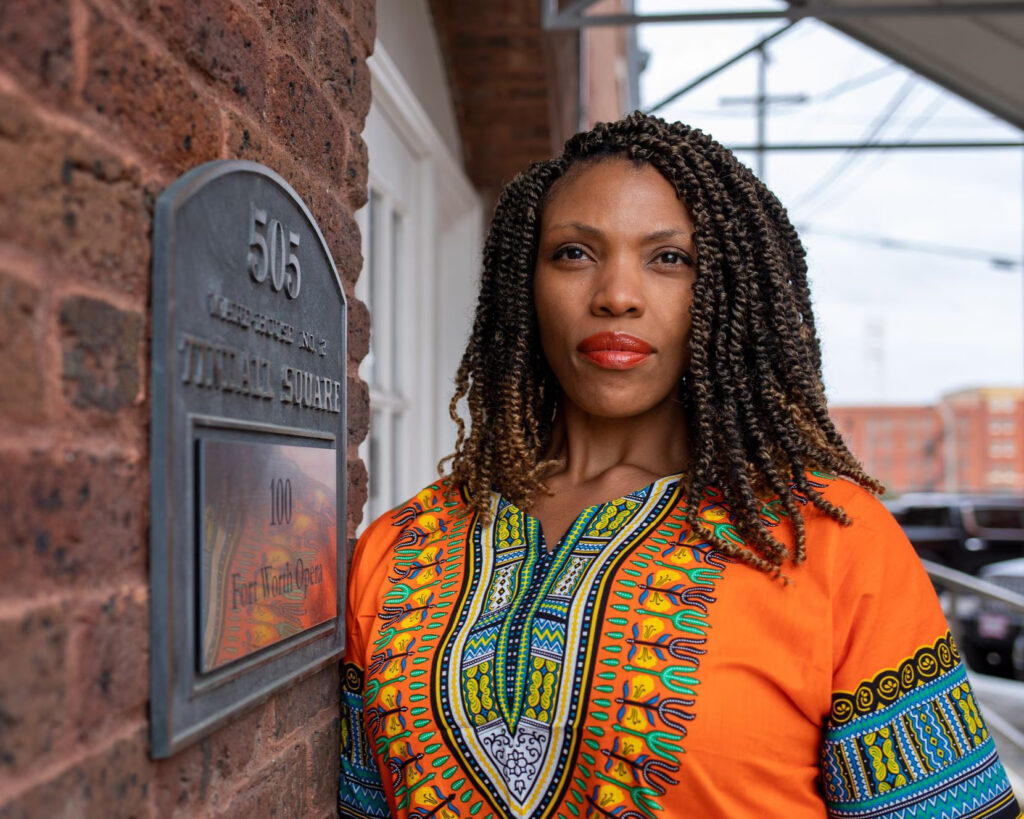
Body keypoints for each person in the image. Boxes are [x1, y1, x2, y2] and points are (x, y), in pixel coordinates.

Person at [338, 112, 1021, 819]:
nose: (617, 294)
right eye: (574, 252)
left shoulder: (831, 540)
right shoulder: (399, 548)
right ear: (523, 284)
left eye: (669, 258)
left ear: (726, 292)